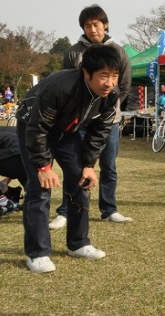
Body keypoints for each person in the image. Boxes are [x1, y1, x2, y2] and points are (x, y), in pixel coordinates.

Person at [16, 44, 121, 273]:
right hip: (33, 127)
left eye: (114, 76)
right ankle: (38, 253)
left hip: (66, 132)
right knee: (39, 188)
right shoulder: (60, 87)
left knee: (80, 183)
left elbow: (100, 131)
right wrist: (43, 166)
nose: (109, 83)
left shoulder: (110, 96)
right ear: (86, 72)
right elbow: (38, 128)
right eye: (103, 76)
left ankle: (78, 243)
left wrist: (88, 165)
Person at [50, 4, 133, 230]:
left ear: (105, 24)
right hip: (79, 120)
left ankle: (109, 210)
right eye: (87, 25)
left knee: (109, 165)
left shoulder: (119, 51)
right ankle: (66, 211)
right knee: (75, 166)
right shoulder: (73, 52)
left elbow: (123, 85)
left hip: (109, 119)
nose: (92, 29)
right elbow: (66, 82)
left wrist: (106, 104)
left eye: (96, 24)